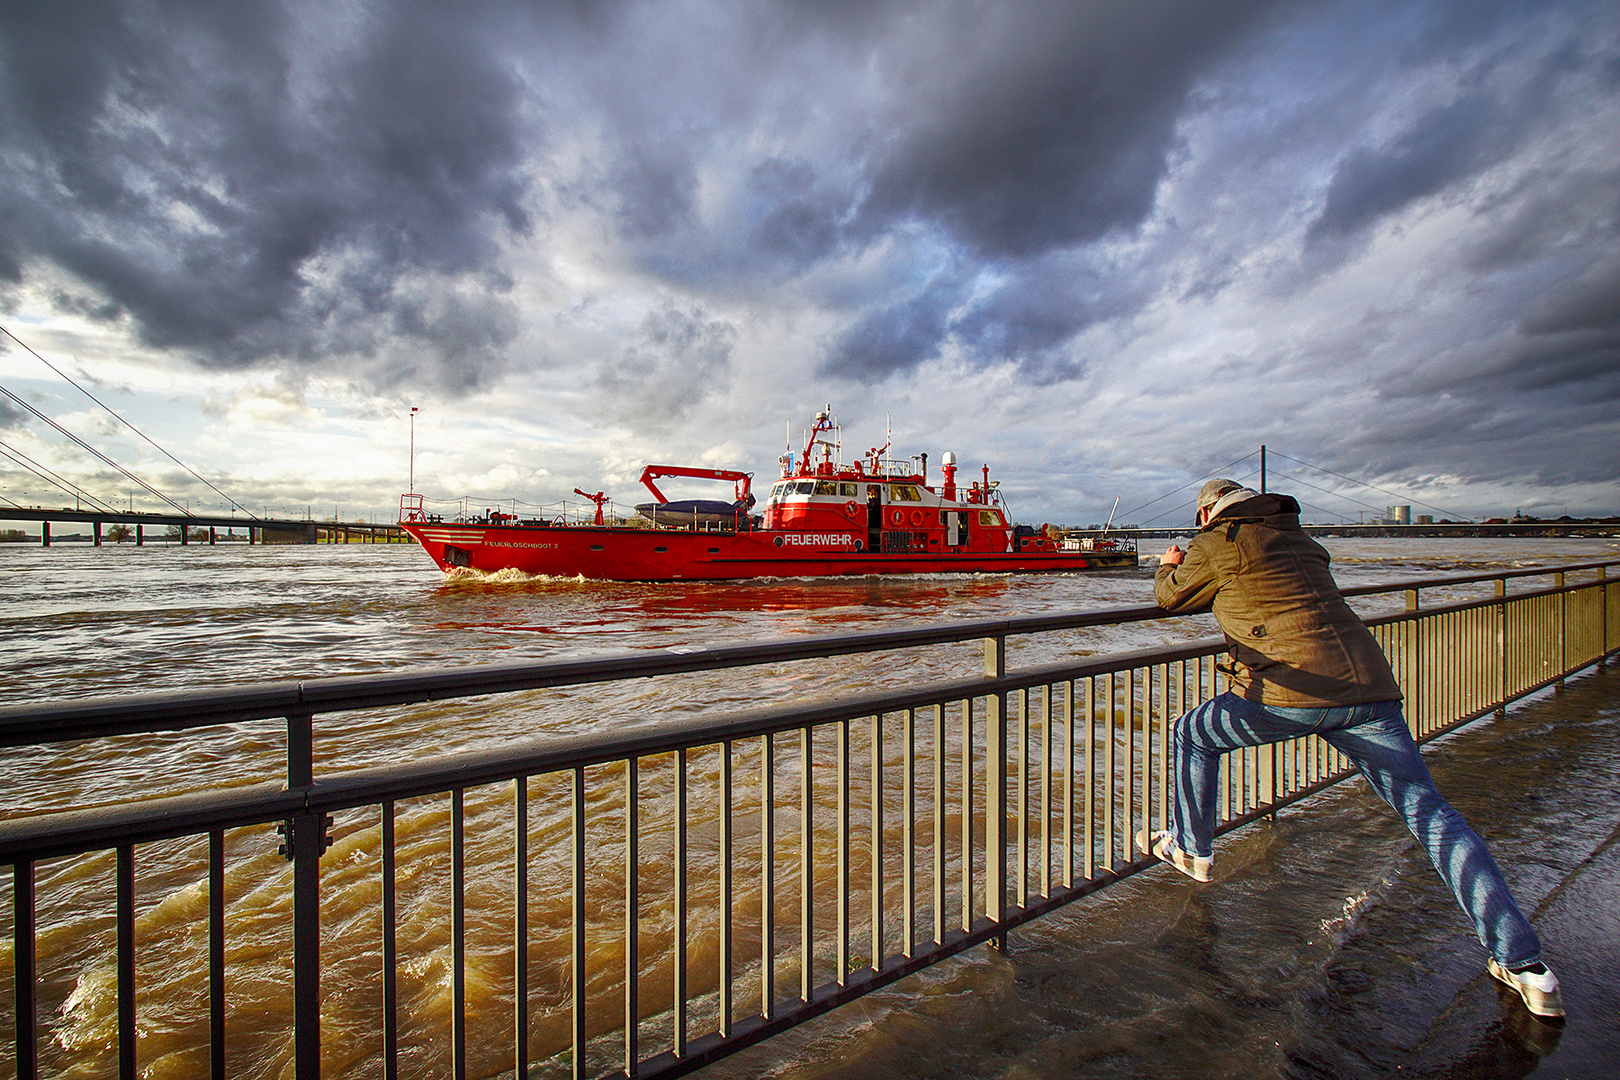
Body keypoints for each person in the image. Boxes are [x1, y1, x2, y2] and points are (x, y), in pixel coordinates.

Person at [1144, 478, 1563, 1019]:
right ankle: (1527, 966)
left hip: (1289, 694)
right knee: (1432, 815)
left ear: (1207, 513)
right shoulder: (1301, 541)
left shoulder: (1217, 542)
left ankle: (1193, 849)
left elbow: (1169, 597)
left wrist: (1167, 561)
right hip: (1368, 689)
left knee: (1191, 733)